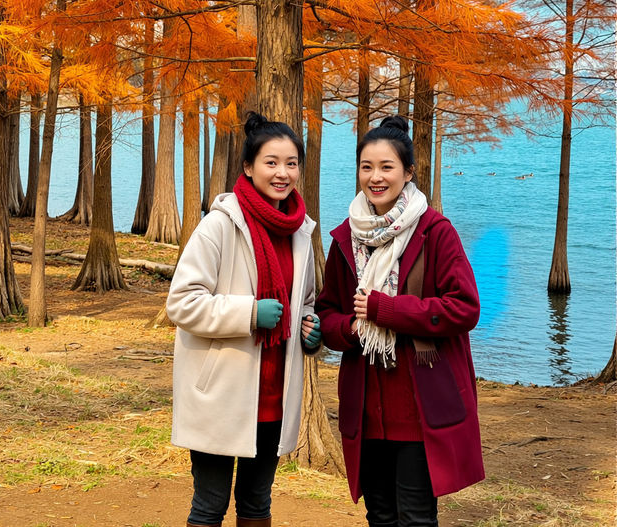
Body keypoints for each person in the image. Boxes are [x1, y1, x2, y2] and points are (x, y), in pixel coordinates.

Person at [316, 115, 484, 527]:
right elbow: (328, 313)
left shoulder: (435, 231)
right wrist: (352, 329)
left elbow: (464, 308)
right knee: (380, 515)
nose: (376, 177)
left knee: (415, 516)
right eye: (366, 167)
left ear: (408, 172)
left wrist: (385, 311)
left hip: (419, 405)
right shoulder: (345, 238)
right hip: (367, 405)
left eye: (387, 167)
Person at [166, 112, 321, 527]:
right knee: (210, 505)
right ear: (248, 168)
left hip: (274, 394)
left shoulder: (300, 231)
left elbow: (302, 302)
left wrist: (309, 329)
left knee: (257, 504)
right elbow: (180, 302)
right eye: (271, 162)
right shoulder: (218, 226)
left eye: (291, 163)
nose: (282, 173)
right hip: (221, 390)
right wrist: (248, 313)